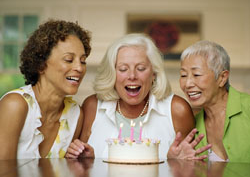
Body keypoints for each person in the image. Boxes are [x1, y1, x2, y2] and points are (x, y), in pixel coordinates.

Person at [66, 33, 211, 160]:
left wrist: (175, 163)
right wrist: (87, 160)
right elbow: (77, 166)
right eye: (123, 69)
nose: (132, 76)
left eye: (141, 68)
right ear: (112, 73)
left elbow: (193, 166)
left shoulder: (177, 110)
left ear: (153, 73)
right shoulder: (92, 106)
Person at [0, 19, 93, 159]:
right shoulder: (14, 105)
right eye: (68, 59)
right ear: (41, 64)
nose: (79, 68)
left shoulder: (75, 115)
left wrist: (83, 163)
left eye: (83, 61)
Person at [179, 40, 250, 162]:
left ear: (222, 78)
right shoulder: (192, 126)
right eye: (183, 75)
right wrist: (178, 162)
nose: (187, 84)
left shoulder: (247, 108)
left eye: (196, 75)